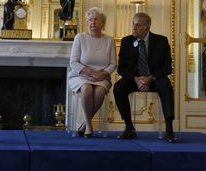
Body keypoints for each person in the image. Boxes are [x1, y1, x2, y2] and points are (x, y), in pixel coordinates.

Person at [113, 12, 177, 143]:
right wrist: (136, 79)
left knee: (166, 86)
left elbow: (167, 67)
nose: (134, 28)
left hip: (155, 79)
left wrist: (150, 78)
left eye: (138, 25)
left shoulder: (161, 41)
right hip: (134, 80)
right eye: (133, 24)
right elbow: (122, 68)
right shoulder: (126, 41)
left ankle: (169, 130)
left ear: (147, 27)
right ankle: (129, 128)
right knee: (119, 87)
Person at [68, 7, 116, 138]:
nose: (93, 22)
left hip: (102, 77)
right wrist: (90, 72)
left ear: (102, 23)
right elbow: (73, 62)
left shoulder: (109, 40)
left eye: (96, 19)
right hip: (81, 75)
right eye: (90, 20)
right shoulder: (80, 37)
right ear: (87, 22)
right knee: (87, 89)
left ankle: (84, 123)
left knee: (100, 91)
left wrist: (102, 74)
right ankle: (89, 125)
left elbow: (113, 64)